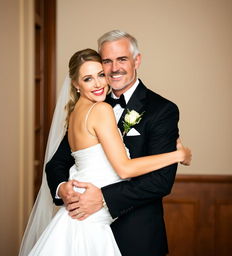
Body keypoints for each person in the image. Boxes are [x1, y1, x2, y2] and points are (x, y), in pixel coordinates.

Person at [19, 48, 191, 255]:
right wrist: (178, 155)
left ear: (136, 61)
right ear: (76, 83)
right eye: (88, 78)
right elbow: (58, 164)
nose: (99, 83)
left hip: (133, 233)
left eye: (101, 75)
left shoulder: (161, 109)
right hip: (87, 219)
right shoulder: (100, 108)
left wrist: (101, 198)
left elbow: (161, 182)